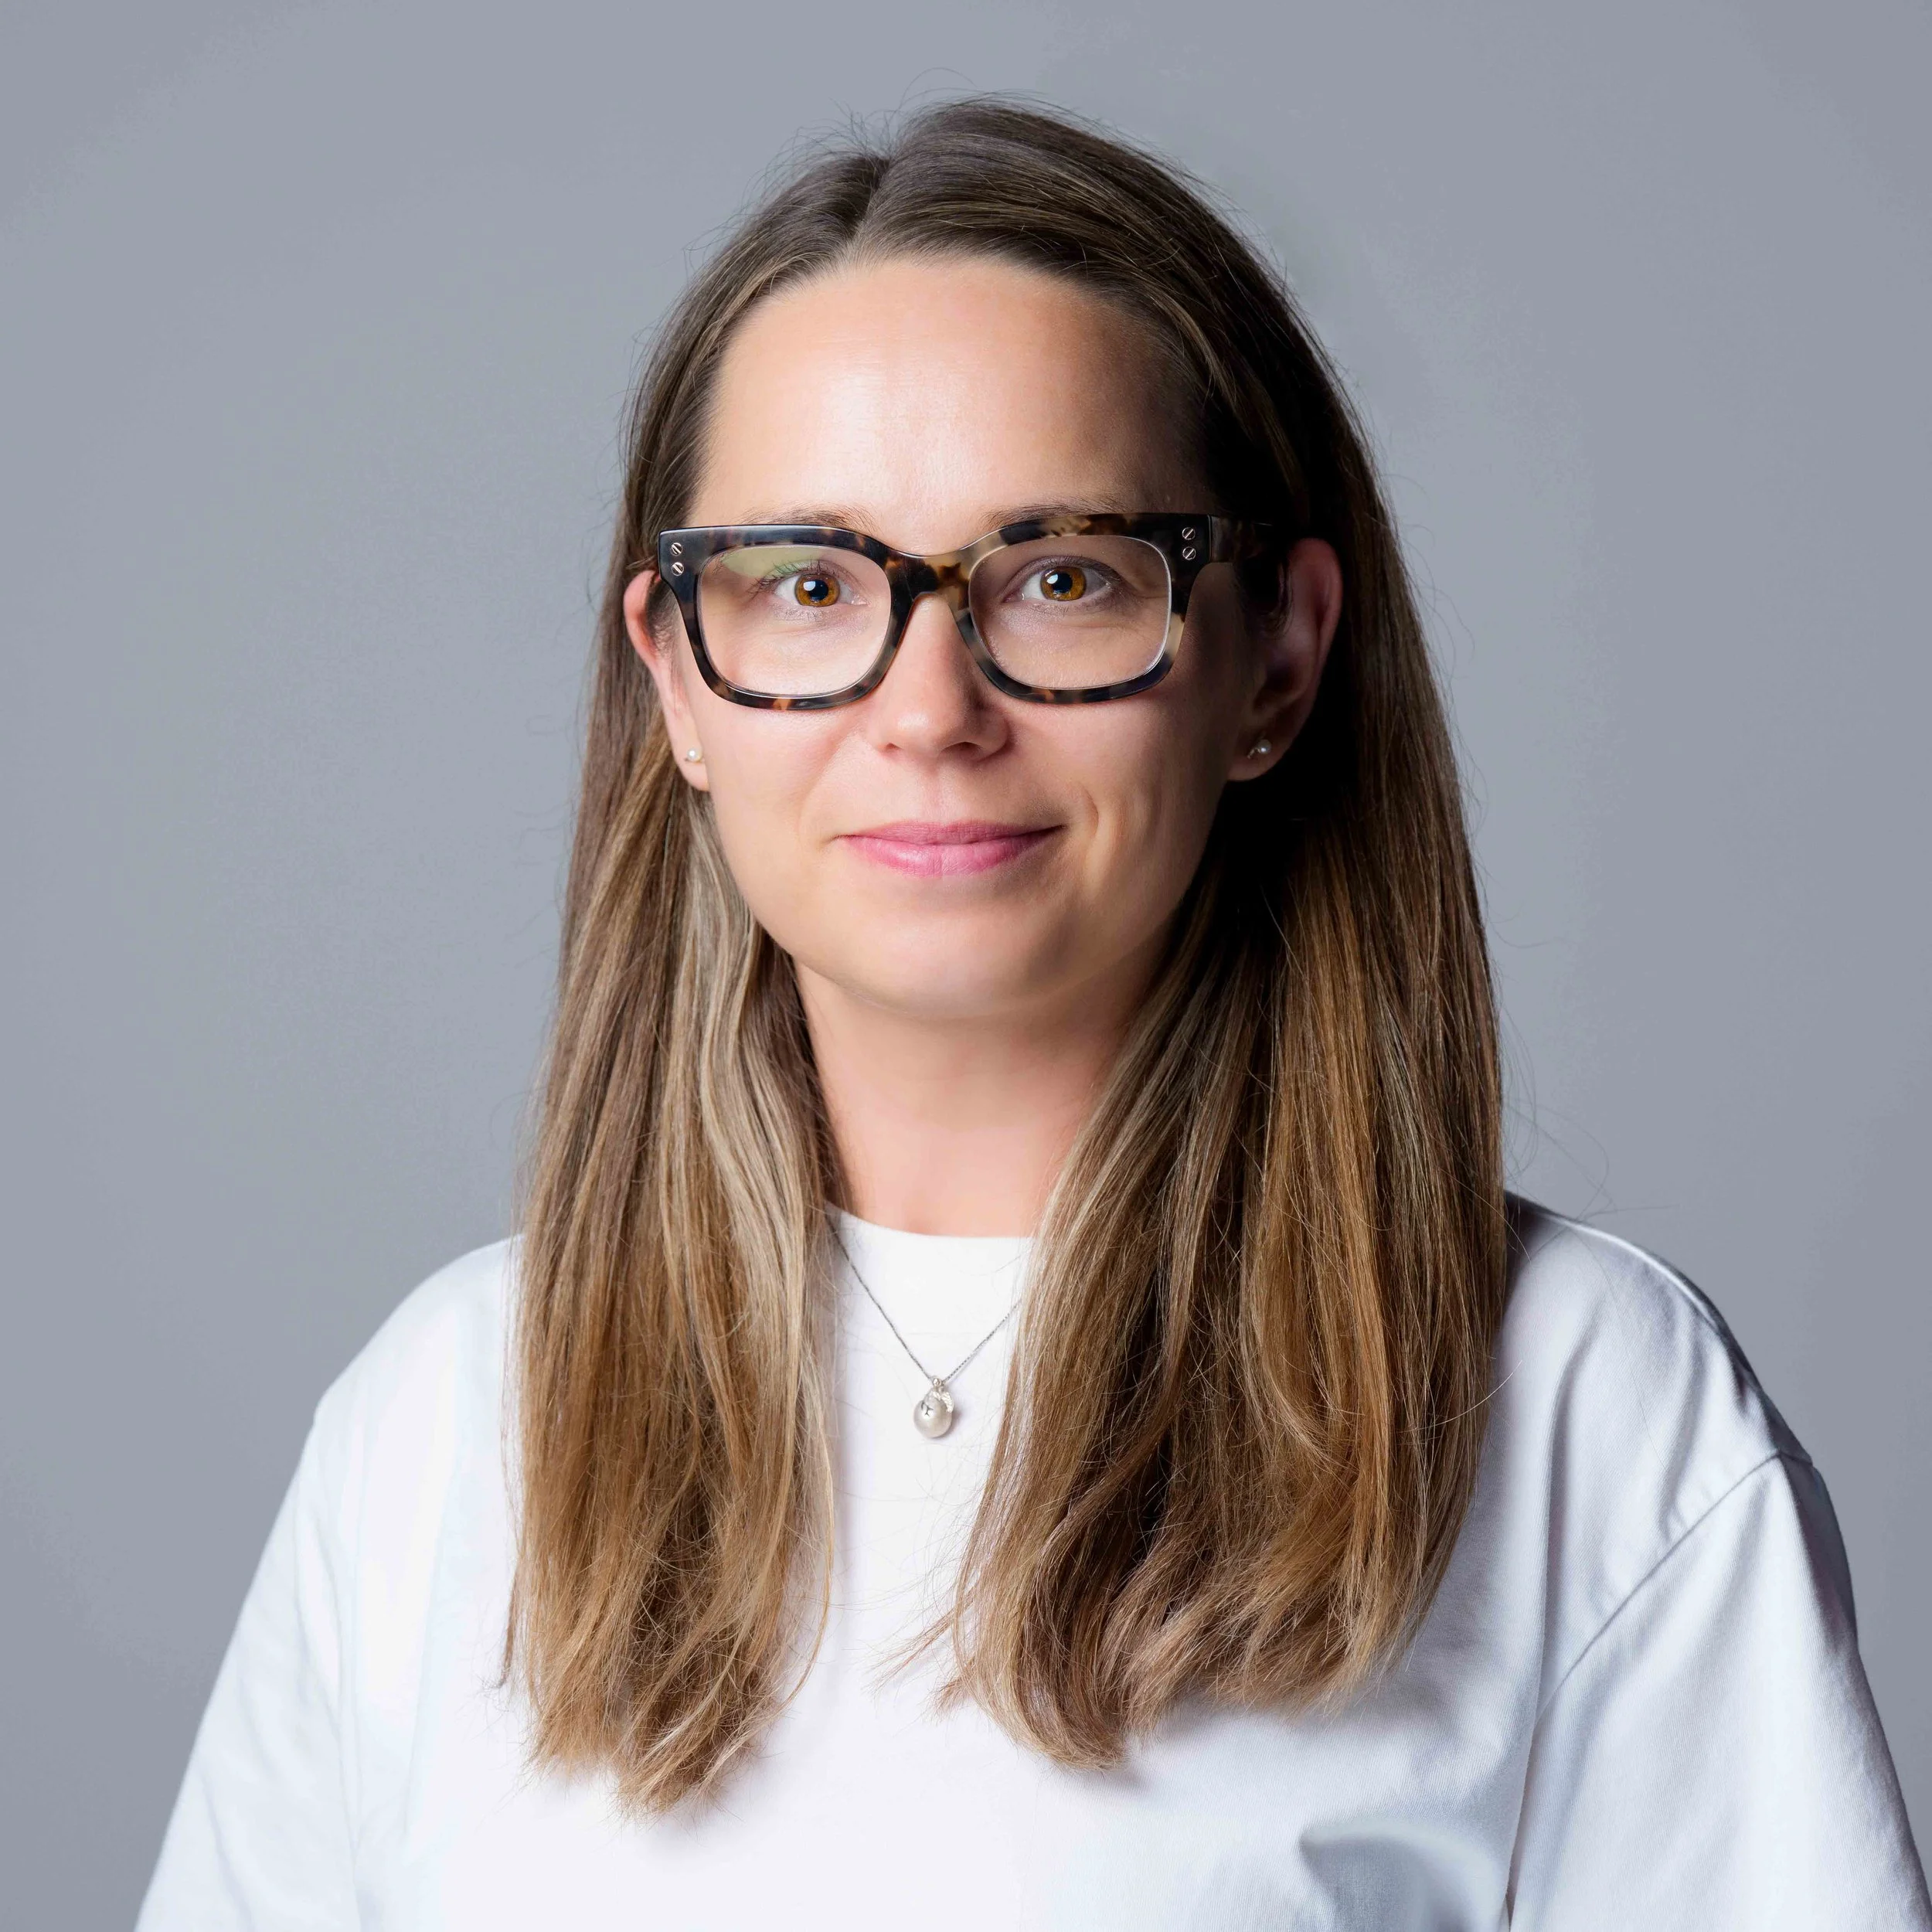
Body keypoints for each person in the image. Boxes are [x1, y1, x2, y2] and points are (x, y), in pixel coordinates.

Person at [136, 98, 1929, 1930]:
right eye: (808, 583)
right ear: (677, 678)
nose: (929, 710)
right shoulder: (439, 1421)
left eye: (1062, 576)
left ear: (1274, 658)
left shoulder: (1576, 1408)